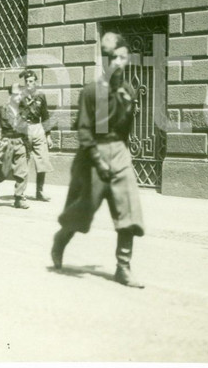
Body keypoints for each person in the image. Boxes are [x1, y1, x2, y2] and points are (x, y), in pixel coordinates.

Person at [50, 33, 145, 288]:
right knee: (83, 210)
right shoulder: (93, 91)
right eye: (112, 58)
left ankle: (123, 268)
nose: (118, 63)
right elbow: (84, 131)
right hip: (93, 154)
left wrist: (123, 155)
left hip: (119, 152)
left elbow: (124, 130)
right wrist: (98, 160)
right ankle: (61, 240)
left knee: (129, 210)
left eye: (122, 58)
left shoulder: (128, 91)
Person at [0, 82, 30, 209]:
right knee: (2, 173)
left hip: (20, 142)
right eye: (16, 94)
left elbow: (26, 129)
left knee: (22, 171)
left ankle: (19, 198)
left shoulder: (24, 110)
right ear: (10, 95)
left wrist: (27, 145)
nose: (19, 97)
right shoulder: (2, 110)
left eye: (20, 94)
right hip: (6, 143)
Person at [19, 69, 54, 201]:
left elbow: (45, 116)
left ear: (35, 82)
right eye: (26, 81)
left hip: (38, 128)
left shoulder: (40, 95)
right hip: (25, 128)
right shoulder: (20, 96)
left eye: (31, 81)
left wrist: (48, 135)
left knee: (42, 160)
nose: (29, 83)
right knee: (23, 162)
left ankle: (39, 192)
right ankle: (20, 193)